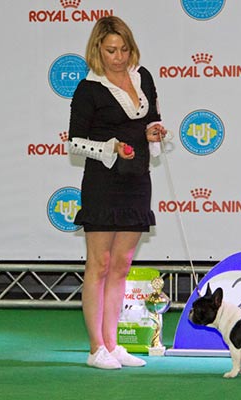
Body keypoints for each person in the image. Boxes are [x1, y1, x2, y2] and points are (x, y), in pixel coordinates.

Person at [68, 16, 167, 370]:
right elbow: (75, 143)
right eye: (111, 50)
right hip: (103, 181)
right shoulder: (88, 89)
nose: (119, 57)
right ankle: (96, 348)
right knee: (100, 264)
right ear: (97, 49)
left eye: (124, 49)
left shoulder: (144, 78)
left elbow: (151, 120)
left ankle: (113, 344)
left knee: (122, 265)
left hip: (137, 179)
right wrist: (111, 147)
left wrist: (154, 132)